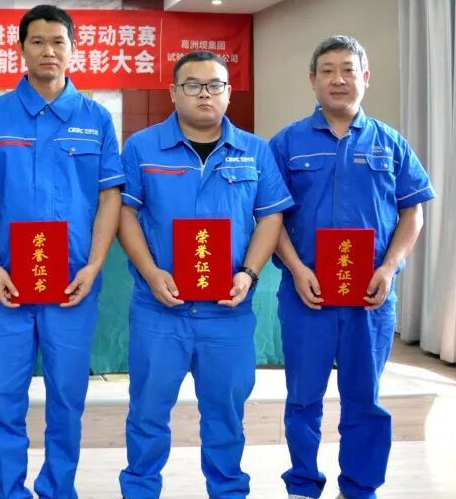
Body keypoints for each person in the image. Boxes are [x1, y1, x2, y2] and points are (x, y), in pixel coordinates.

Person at [118, 50, 294, 499]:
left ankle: (228, 491)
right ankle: (140, 491)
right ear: (173, 92)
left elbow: (271, 217)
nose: (204, 94)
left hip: (226, 312)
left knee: (226, 415)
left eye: (215, 85)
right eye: (192, 85)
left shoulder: (254, 150)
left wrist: (248, 273)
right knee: (147, 413)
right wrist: (151, 272)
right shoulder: (141, 147)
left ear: (228, 93)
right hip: (160, 310)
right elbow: (124, 214)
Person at [268, 35, 435, 499]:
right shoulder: (287, 143)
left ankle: (360, 488)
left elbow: (414, 211)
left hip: (369, 297)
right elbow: (270, 216)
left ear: (365, 77)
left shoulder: (390, 143)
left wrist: (390, 267)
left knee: (364, 400)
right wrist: (297, 269)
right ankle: (303, 485)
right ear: (312, 80)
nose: (338, 79)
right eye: (327, 71)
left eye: (348, 69)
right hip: (307, 295)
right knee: (303, 398)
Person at [0, 4, 123, 499]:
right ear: (21, 49)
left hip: (72, 285)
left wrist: (95, 265)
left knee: (67, 399)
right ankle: (8, 491)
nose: (48, 51)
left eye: (58, 41)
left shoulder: (96, 119)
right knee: (3, 400)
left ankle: (59, 488)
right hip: (8, 285)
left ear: (73, 49)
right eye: (37, 41)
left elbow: (110, 197)